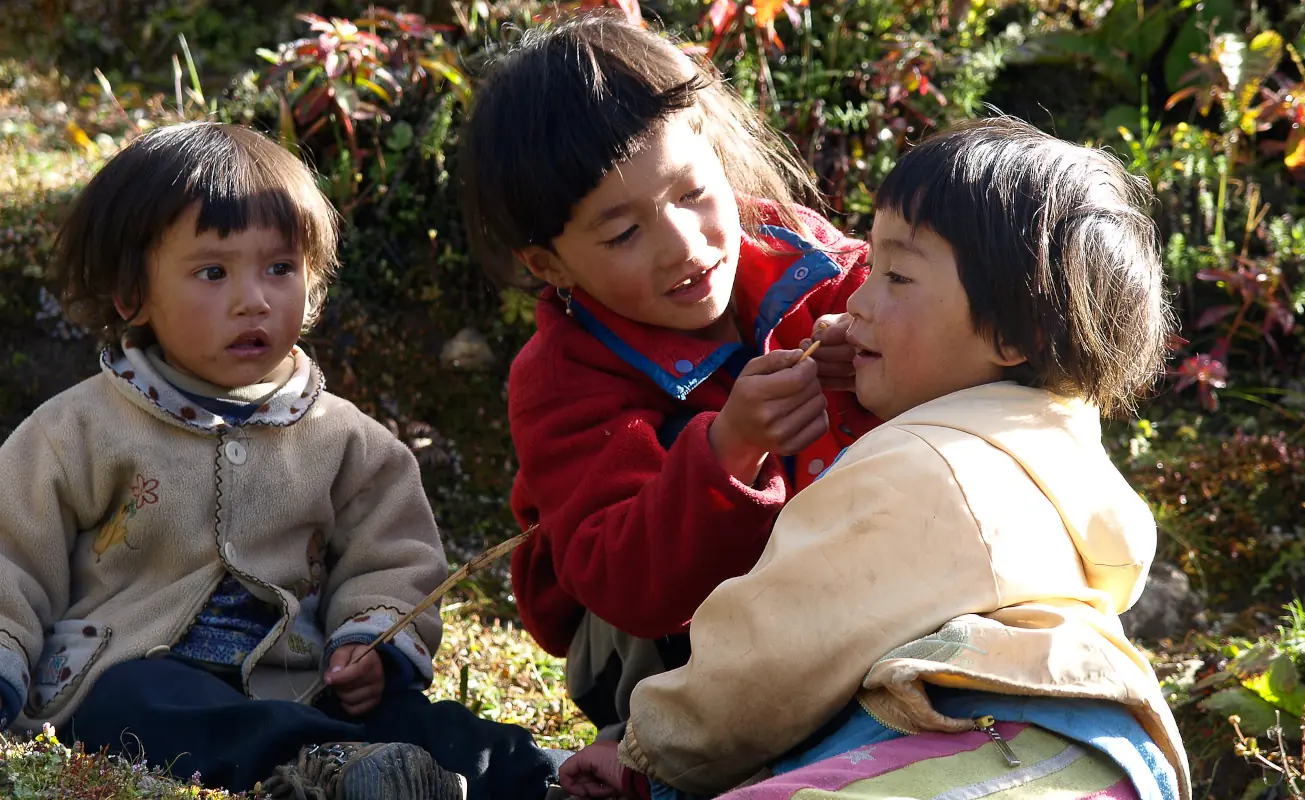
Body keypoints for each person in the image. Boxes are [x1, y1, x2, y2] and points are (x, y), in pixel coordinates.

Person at [559, 118, 1191, 800]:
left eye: (895, 275)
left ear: (1013, 333)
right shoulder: (1058, 452)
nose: (856, 297)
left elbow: (772, 656)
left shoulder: (921, 464)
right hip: (1114, 752)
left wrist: (644, 752)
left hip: (978, 749)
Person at [0, 121, 559, 800]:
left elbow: (391, 557)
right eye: (213, 271)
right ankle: (344, 769)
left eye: (280, 268)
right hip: (134, 668)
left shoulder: (346, 440)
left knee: (424, 721)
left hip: (303, 683)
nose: (253, 299)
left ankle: (538, 776)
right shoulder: (76, 430)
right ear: (131, 295)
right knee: (136, 706)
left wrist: (370, 641)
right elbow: (12, 559)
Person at [458, 14, 879, 739]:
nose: (683, 246)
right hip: (653, 645)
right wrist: (730, 451)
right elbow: (624, 582)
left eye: (691, 193)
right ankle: (669, 738)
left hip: (840, 600)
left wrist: (875, 350)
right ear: (549, 265)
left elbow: (920, 332)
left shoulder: (799, 254)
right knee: (686, 437)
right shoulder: (563, 376)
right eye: (623, 233)